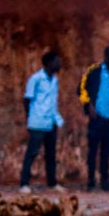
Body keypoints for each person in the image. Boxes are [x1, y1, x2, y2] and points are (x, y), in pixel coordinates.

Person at [78, 45, 109, 190]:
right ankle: (91, 181)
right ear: (105, 56)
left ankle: (105, 181)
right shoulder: (94, 70)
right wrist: (89, 106)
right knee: (92, 151)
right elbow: (81, 88)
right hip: (96, 118)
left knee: (106, 151)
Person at [19, 51, 65, 194]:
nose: (59, 64)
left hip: (51, 121)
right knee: (32, 152)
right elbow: (27, 99)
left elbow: (52, 101)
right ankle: (24, 183)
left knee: (50, 154)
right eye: (57, 61)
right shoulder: (36, 79)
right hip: (38, 121)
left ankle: (52, 183)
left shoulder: (55, 80)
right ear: (49, 63)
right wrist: (30, 117)